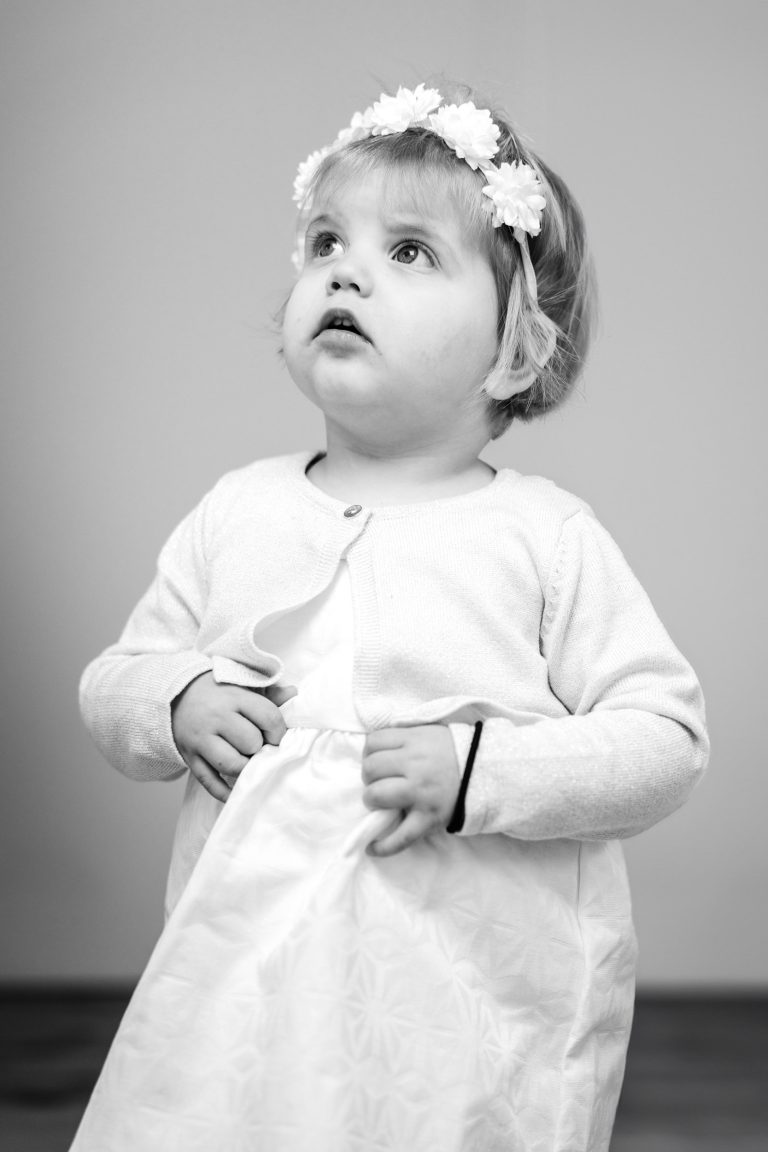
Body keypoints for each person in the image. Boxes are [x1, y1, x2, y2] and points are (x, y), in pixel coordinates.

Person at [72, 82, 708, 1152]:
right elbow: (115, 674)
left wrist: (480, 773)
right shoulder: (241, 508)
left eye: (409, 251)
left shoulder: (542, 537)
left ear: (517, 345)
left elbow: (665, 741)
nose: (345, 269)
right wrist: (173, 699)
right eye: (325, 241)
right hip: (253, 977)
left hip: (471, 999)